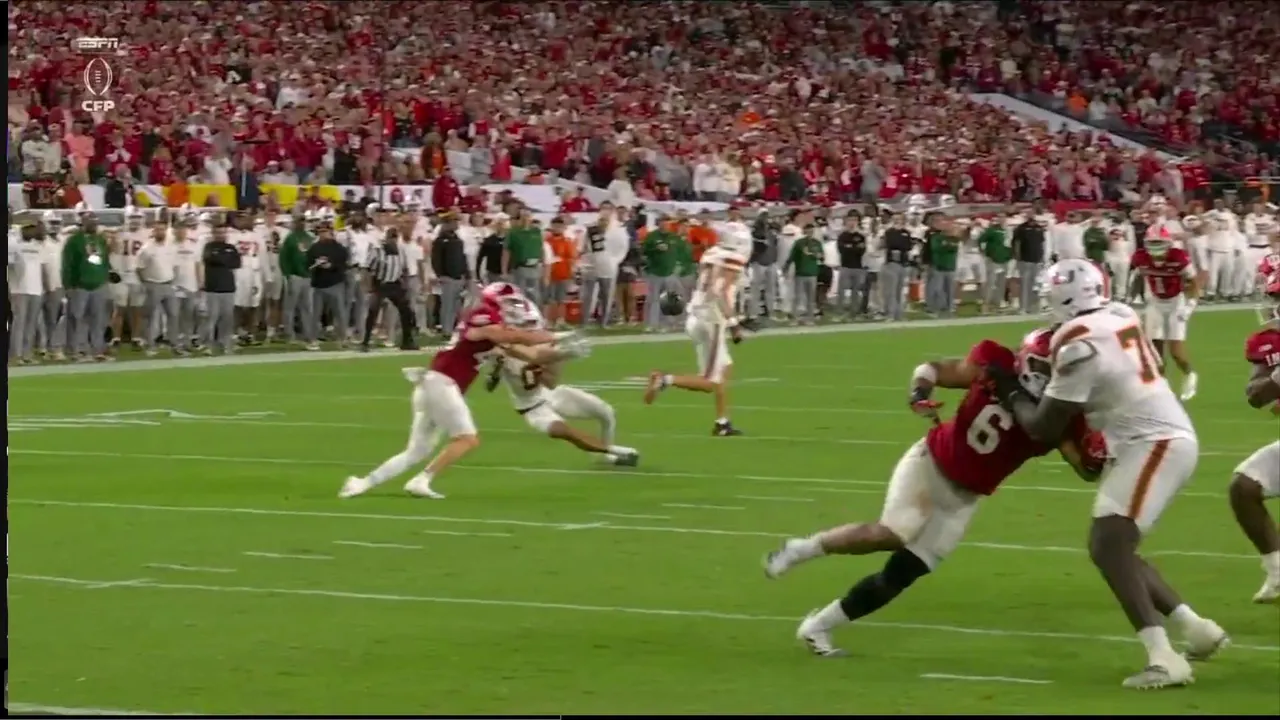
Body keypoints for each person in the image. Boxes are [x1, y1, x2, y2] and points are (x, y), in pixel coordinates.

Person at [763, 329, 1105, 656]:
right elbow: (934, 369)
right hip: (930, 466)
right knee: (893, 533)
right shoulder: (994, 363)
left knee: (900, 575)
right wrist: (919, 392)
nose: (1053, 377)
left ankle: (819, 626)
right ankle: (802, 548)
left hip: (963, 499)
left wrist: (1098, 458)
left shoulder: (1060, 414)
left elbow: (1084, 468)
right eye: (1049, 367)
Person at [984, 259, 1227, 690]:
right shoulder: (1119, 313)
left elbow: (1042, 426)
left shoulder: (1076, 343)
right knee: (1114, 546)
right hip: (1150, 437)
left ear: (1065, 298)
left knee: (1109, 544)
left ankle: (1164, 658)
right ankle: (1197, 630)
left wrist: (1010, 389)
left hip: (1153, 442)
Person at [340, 283, 565, 500]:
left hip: (434, 384)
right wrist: (553, 336)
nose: (512, 307)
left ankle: (362, 483)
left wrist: (564, 351)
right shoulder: (483, 317)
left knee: (417, 451)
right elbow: (511, 337)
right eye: (507, 302)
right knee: (467, 439)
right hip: (441, 383)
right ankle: (422, 479)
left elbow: (529, 353)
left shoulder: (493, 325)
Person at [483, 304, 639, 465]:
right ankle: (613, 451)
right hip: (532, 407)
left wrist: (556, 359)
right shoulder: (502, 350)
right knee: (564, 431)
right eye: (525, 324)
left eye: (531, 323)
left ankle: (605, 456)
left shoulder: (544, 345)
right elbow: (490, 385)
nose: (530, 328)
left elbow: (551, 383)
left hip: (553, 394)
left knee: (606, 412)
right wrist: (495, 372)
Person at [642, 226, 751, 436]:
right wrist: (734, 324)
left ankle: (722, 423)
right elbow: (719, 292)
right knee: (710, 381)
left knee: (725, 368)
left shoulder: (711, 253)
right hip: (711, 320)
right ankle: (664, 380)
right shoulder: (733, 258)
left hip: (696, 315)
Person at [1231, 271, 1280, 603]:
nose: (1274, 306)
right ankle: (1277, 571)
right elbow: (1255, 395)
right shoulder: (1270, 341)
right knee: (1244, 487)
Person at [1129, 228, 1200, 400]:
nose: (1156, 247)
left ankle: (1190, 374)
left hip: (1176, 303)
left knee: (1176, 352)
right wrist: (1132, 298)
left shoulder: (1178, 257)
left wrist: (1189, 306)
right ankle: (1162, 388)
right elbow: (1136, 277)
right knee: (1155, 352)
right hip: (1155, 302)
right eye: (1152, 243)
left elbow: (1193, 283)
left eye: (1159, 242)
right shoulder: (1140, 258)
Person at [61, 210, 116, 362]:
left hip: (98, 284)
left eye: (95, 222)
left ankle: (97, 350)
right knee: (76, 319)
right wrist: (68, 285)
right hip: (79, 285)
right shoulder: (74, 241)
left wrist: (106, 276)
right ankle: (76, 351)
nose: (93, 224)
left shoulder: (100, 240)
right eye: (90, 222)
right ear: (82, 223)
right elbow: (67, 264)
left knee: (98, 320)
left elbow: (103, 261)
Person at [360, 228, 418, 352]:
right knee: (373, 312)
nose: (393, 240)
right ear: (386, 238)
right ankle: (365, 341)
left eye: (395, 237)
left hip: (395, 284)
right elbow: (367, 268)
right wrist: (367, 286)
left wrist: (405, 285)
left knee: (406, 311)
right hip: (380, 284)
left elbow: (405, 269)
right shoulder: (377, 250)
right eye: (391, 237)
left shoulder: (401, 250)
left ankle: (407, 341)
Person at [135, 216, 179, 356]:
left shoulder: (171, 246)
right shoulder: (147, 248)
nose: (160, 232)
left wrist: (174, 280)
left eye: (162, 230)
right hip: (153, 284)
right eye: (157, 230)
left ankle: (173, 343)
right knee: (150, 316)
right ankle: (149, 344)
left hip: (168, 284)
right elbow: (139, 268)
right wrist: (145, 283)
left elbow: (174, 265)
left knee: (173, 314)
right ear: (153, 231)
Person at [306, 214, 350, 347]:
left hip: (335, 283)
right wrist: (316, 265)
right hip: (318, 284)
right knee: (315, 314)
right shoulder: (314, 248)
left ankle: (343, 339)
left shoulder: (339, 248)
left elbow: (343, 264)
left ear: (331, 231)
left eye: (325, 231)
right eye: (320, 231)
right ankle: (313, 339)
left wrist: (331, 266)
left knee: (339, 313)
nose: (322, 234)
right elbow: (308, 263)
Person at [198, 222, 241, 355]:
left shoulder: (231, 247)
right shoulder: (208, 247)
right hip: (213, 287)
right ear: (213, 233)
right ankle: (208, 345)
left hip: (228, 287)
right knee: (211, 318)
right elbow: (210, 259)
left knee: (227, 318)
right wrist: (225, 259)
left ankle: (225, 344)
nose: (221, 235)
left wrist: (221, 258)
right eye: (218, 232)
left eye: (223, 232)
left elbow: (237, 263)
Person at [279, 213, 317, 348]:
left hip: (308, 276)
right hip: (294, 276)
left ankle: (307, 334)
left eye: (302, 221)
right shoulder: (290, 238)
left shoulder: (310, 238)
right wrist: (287, 274)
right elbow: (283, 258)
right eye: (298, 221)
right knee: (290, 307)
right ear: (294, 223)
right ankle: (289, 334)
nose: (301, 223)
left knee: (307, 307)